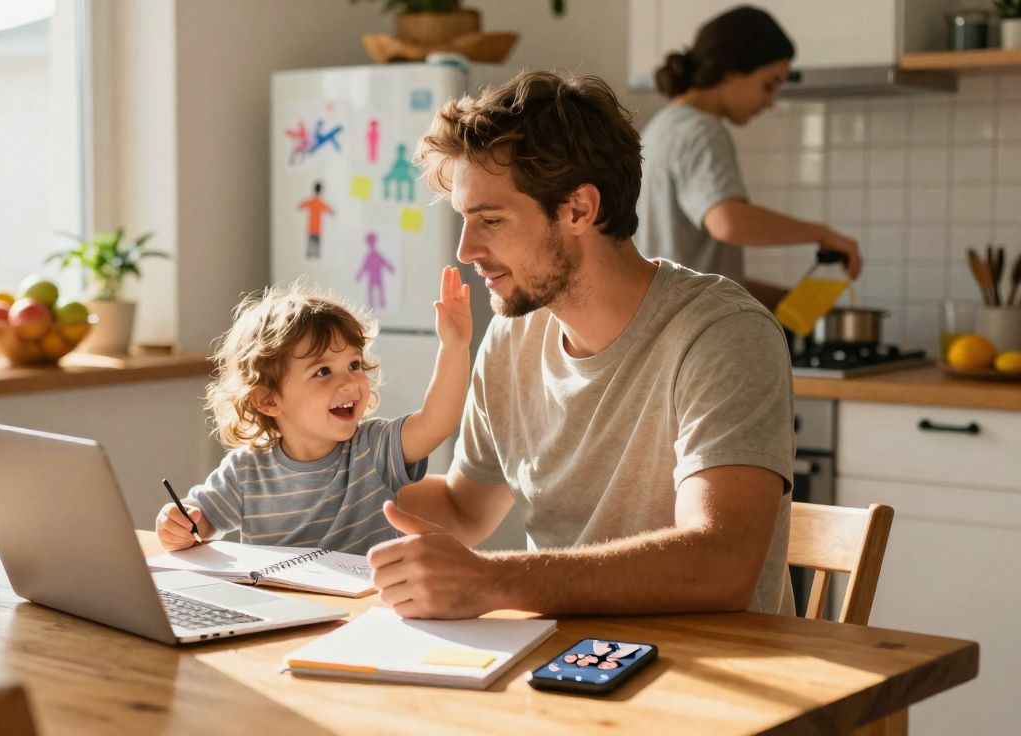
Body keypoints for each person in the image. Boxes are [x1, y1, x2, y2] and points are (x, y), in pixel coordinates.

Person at [365, 70, 796, 619]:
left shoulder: (722, 335)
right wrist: (311, 475)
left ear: (579, 210)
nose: (466, 250)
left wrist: (492, 581)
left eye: (490, 220)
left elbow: (721, 564)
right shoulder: (512, 336)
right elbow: (462, 508)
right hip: (562, 662)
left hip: (713, 679)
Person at [154, 268, 472, 555]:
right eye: (323, 372)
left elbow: (436, 423)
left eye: (354, 364)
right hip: (283, 612)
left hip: (365, 607)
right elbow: (199, 520)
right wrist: (178, 525)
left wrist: (454, 348)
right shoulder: (245, 471)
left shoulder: (374, 448)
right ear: (268, 400)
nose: (349, 382)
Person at [635, 5, 861, 309]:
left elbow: (685, 265)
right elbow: (728, 222)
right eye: (768, 85)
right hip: (689, 332)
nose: (770, 103)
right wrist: (823, 235)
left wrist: (780, 301)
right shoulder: (701, 130)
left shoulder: (663, 126)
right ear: (731, 71)